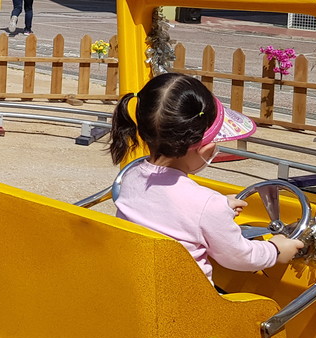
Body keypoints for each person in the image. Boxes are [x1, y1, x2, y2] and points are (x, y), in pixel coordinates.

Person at [109, 72, 303, 282]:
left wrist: (220, 206)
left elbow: (165, 210)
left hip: (141, 288)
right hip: (190, 304)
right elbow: (238, 256)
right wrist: (275, 249)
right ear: (206, 148)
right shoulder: (207, 205)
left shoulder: (130, 176)